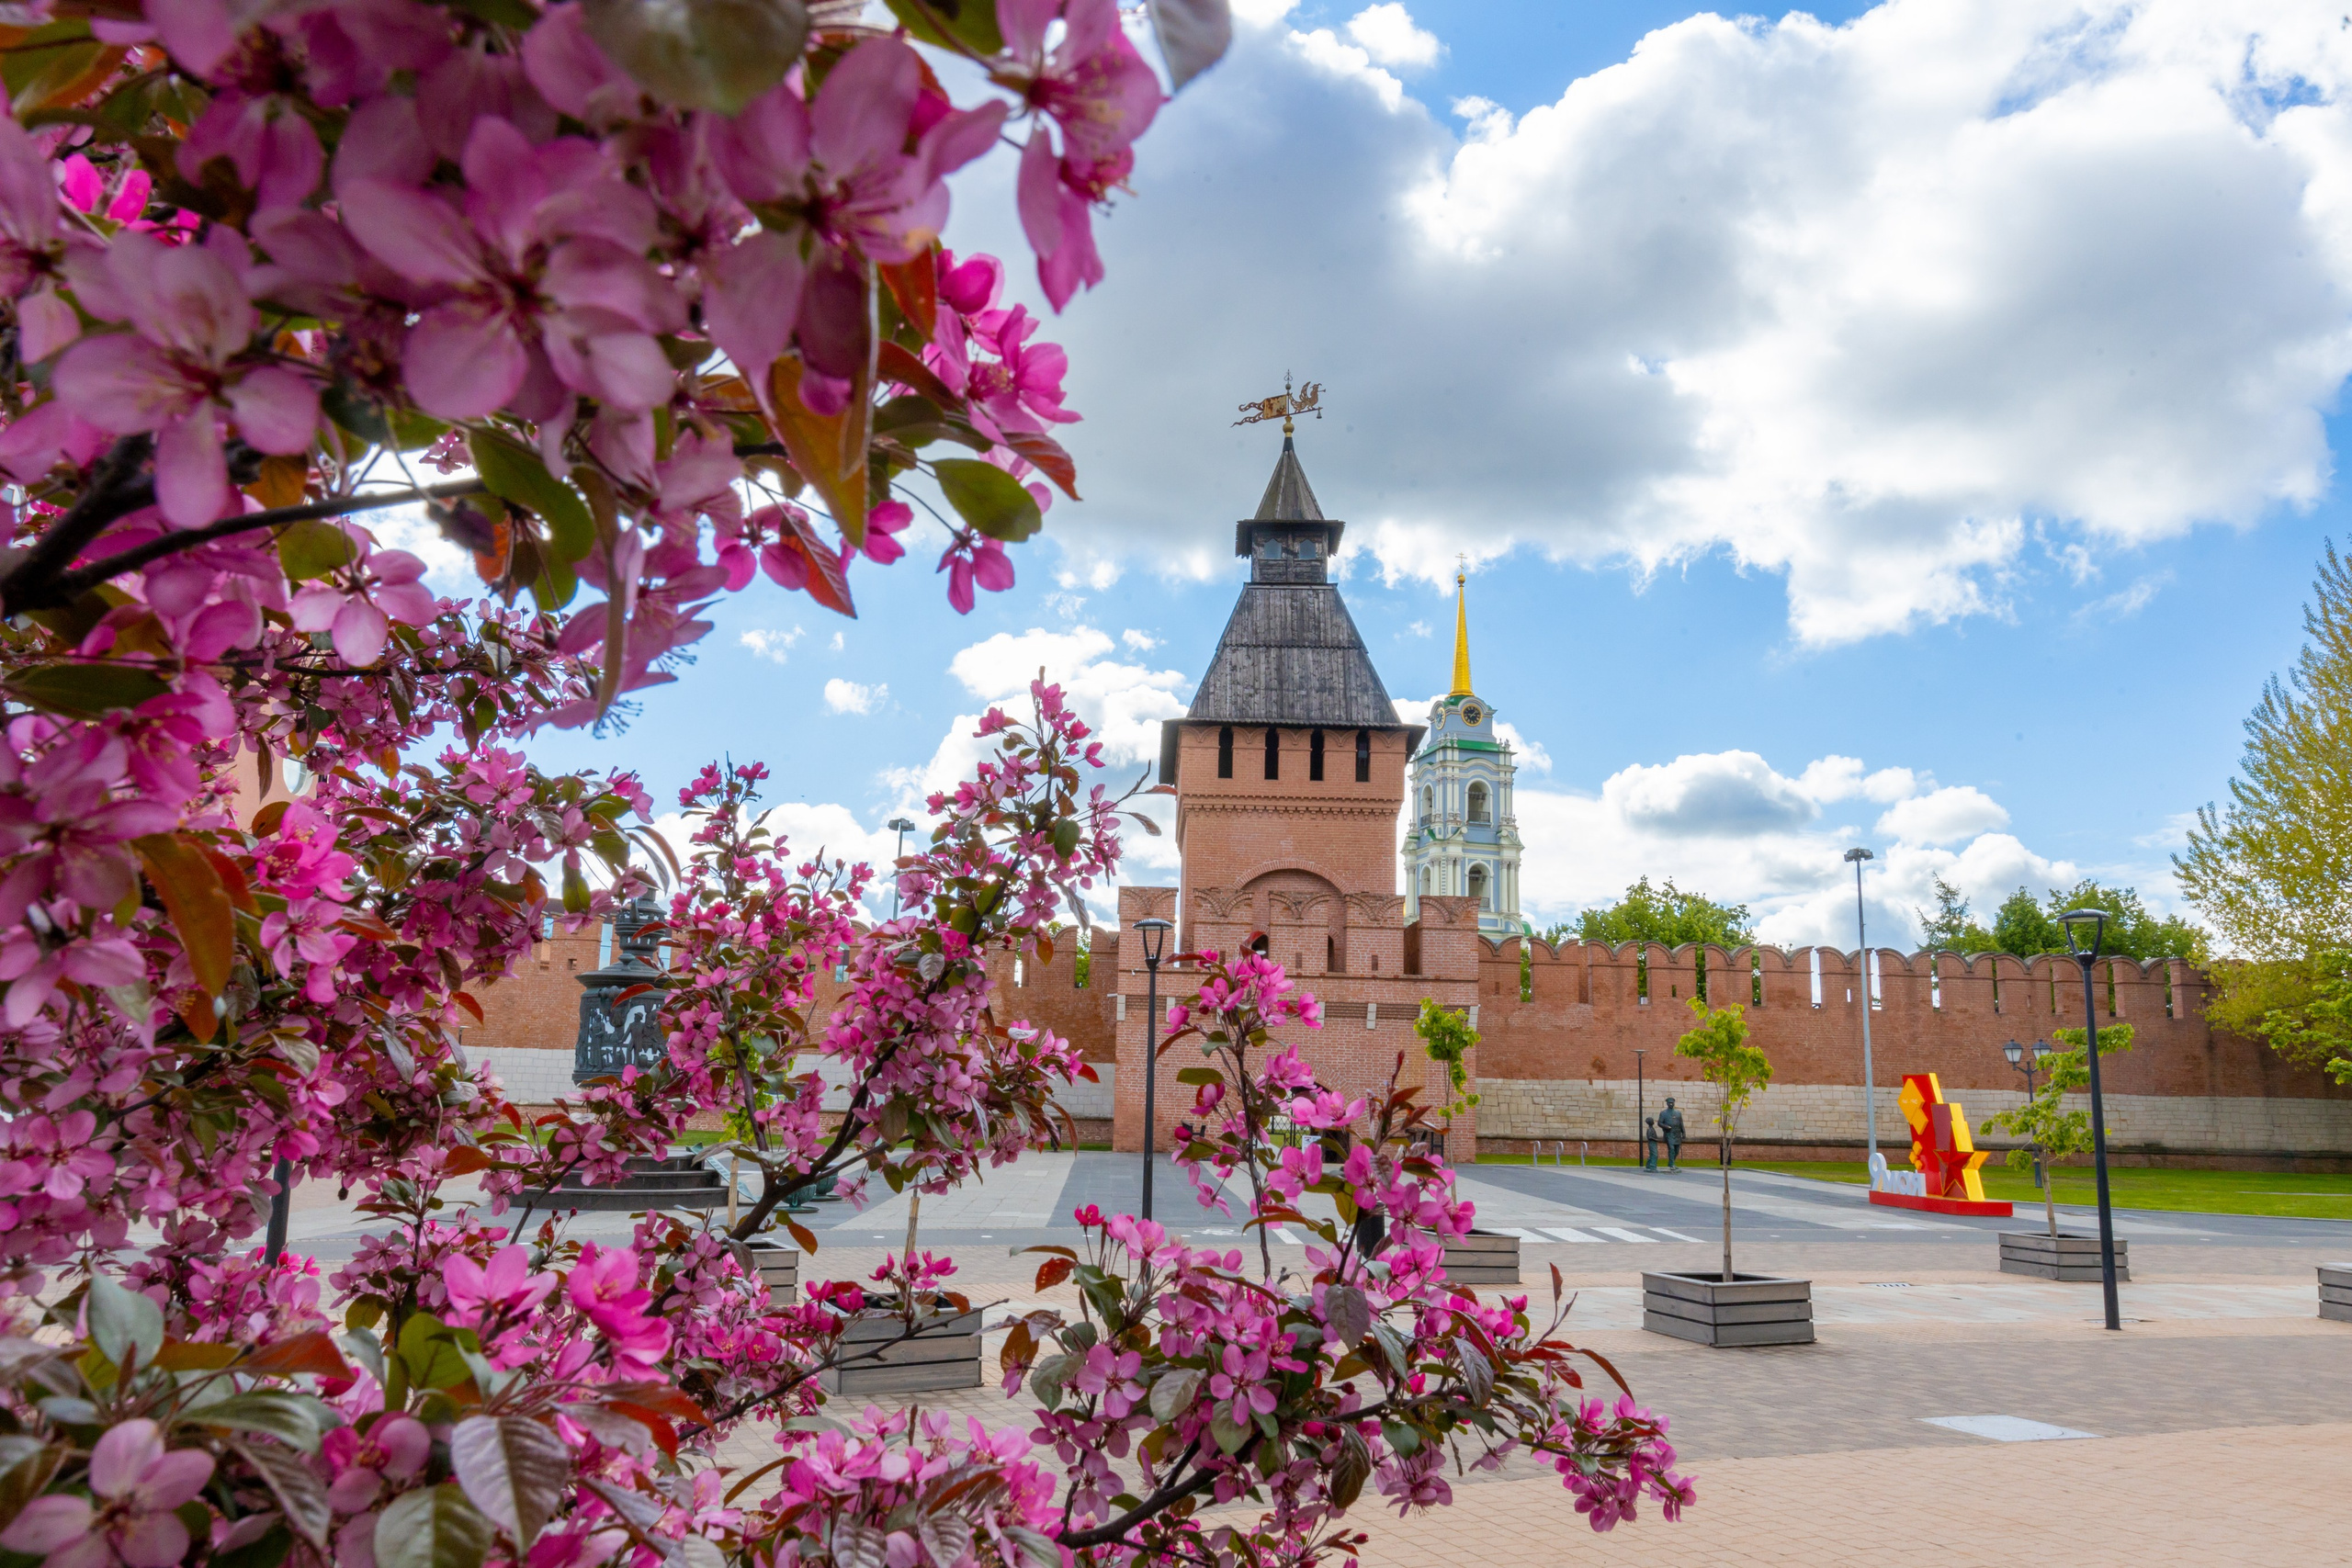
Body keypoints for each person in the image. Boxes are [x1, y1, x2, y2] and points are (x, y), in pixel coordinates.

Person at [1657, 1098, 1686, 1172]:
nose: (1671, 1104)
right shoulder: (1663, 1113)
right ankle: (1672, 1164)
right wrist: (1666, 1127)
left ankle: (1671, 1162)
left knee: (1677, 1150)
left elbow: (1681, 1123)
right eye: (1669, 1103)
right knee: (1671, 1149)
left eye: (1672, 1103)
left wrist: (1684, 1132)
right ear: (1667, 1104)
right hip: (1669, 1134)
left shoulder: (1678, 1113)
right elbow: (1659, 1123)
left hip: (1677, 1134)